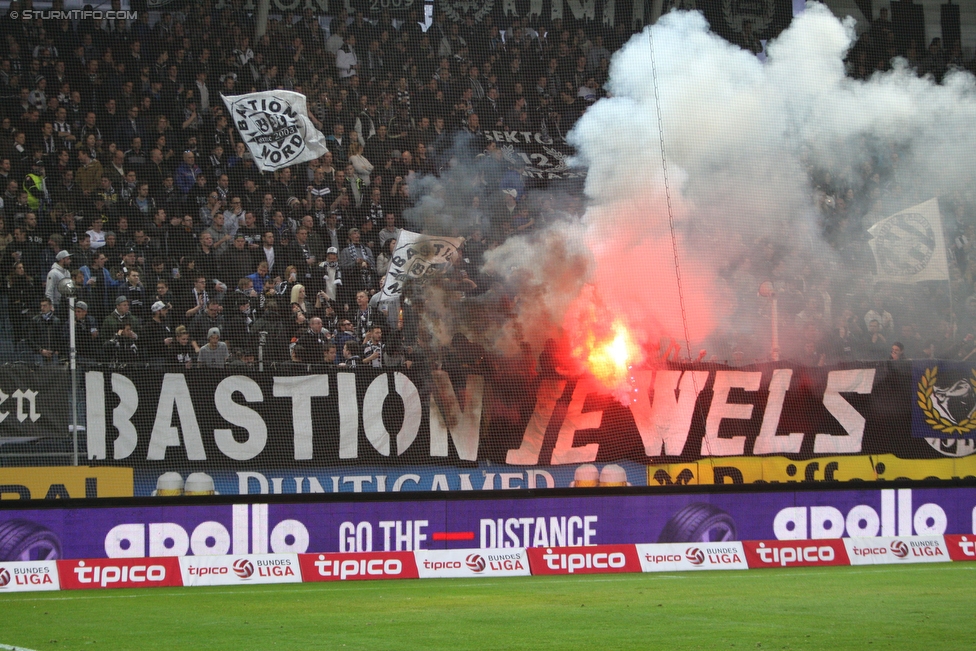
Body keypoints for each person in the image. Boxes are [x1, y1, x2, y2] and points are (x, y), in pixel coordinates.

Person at [29, 297, 63, 364]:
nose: (42, 308)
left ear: (50, 306)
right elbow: (30, 338)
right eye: (41, 306)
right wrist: (40, 350)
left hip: (53, 354)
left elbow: (60, 338)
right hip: (39, 354)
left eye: (44, 305)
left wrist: (57, 349)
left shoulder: (56, 321)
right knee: (40, 373)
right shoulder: (35, 320)